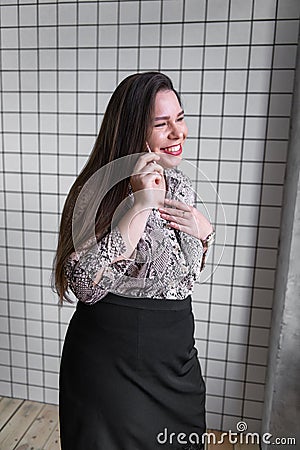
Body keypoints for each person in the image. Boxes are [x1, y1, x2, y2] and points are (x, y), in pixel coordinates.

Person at [52, 72, 215, 450]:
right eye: (162, 124)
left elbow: (184, 277)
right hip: (110, 363)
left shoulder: (180, 187)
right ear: (132, 130)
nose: (178, 133)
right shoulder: (97, 190)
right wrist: (140, 206)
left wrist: (204, 237)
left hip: (175, 358)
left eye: (180, 118)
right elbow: (85, 286)